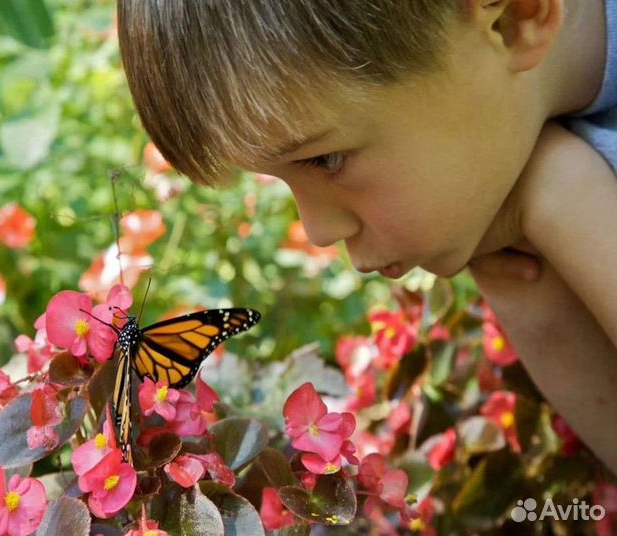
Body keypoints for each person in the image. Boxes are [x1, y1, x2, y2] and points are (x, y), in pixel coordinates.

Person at [116, 0, 617, 473]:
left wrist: (563, 196)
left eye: (326, 159)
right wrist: (539, 221)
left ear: (514, 17)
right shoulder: (499, 145)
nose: (317, 231)